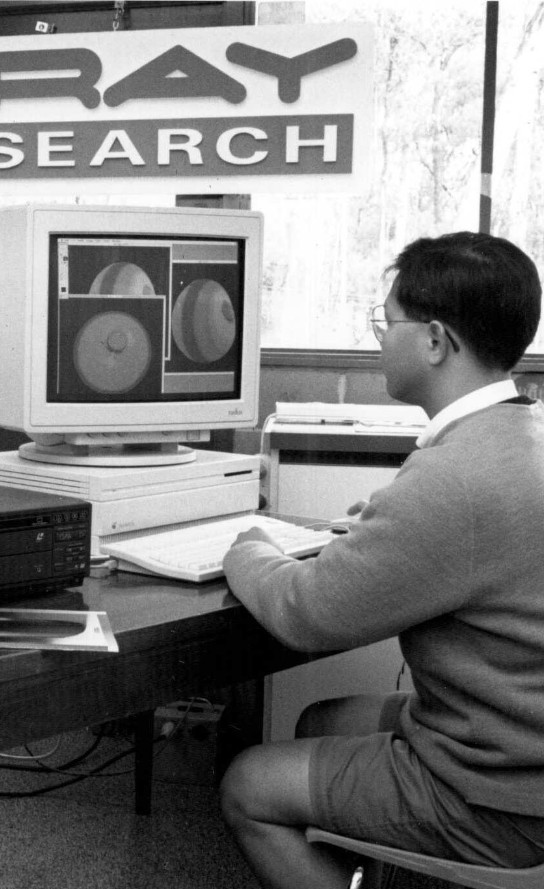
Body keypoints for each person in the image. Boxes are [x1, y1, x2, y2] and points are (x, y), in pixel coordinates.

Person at [218, 231, 544, 889]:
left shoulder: (454, 475)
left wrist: (243, 542)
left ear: (434, 341)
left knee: (246, 784)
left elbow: (305, 611)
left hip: (495, 794)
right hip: (516, 746)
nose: (377, 338)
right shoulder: (521, 431)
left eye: (384, 322)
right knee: (319, 722)